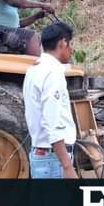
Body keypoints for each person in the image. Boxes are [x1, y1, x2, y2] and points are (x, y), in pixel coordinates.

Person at [22, 22, 78, 178]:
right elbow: (52, 123)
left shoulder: (33, 70)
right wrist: (67, 166)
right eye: (71, 44)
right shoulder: (52, 74)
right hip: (53, 159)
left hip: (42, 154)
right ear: (63, 43)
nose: (72, 50)